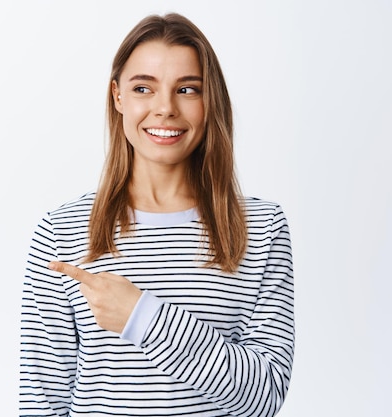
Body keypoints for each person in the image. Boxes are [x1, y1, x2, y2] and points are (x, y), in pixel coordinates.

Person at [20, 12, 294, 417]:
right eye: (143, 88)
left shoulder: (261, 227)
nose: (164, 108)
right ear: (118, 97)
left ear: (209, 100)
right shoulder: (62, 231)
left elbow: (264, 398)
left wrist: (142, 317)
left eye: (187, 89)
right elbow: (43, 403)